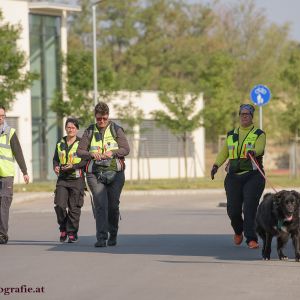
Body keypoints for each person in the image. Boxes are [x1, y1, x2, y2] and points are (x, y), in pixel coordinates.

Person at [210, 104, 266, 249]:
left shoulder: (259, 133)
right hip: (233, 176)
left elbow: (260, 147)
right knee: (233, 210)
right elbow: (225, 152)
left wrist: (253, 151)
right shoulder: (231, 134)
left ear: (252, 116)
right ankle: (238, 231)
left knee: (249, 207)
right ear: (239, 116)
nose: (244, 116)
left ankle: (251, 238)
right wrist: (216, 165)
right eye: (242, 114)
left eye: (247, 114)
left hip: (253, 176)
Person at [77, 102, 130, 247]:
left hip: (115, 173)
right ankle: (101, 238)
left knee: (113, 206)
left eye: (104, 119)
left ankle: (113, 234)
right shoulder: (89, 131)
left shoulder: (116, 130)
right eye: (99, 118)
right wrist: (91, 154)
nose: (101, 122)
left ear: (108, 116)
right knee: (100, 204)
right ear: (95, 117)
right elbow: (79, 152)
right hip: (95, 173)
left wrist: (112, 152)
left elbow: (126, 149)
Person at [53, 118, 87, 243]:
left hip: (77, 179)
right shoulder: (60, 142)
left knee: (74, 208)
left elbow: (85, 160)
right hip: (62, 179)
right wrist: (55, 166)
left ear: (77, 129)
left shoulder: (82, 143)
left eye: (73, 127)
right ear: (65, 128)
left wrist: (73, 166)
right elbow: (55, 158)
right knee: (60, 206)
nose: (70, 129)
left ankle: (72, 232)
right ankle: (63, 229)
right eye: (68, 127)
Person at [0, 105, 29, 244]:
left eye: (2, 116)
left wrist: (24, 172)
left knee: (3, 205)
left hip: (6, 175)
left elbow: (18, 153)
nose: (1, 118)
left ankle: (2, 234)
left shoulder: (10, 132)